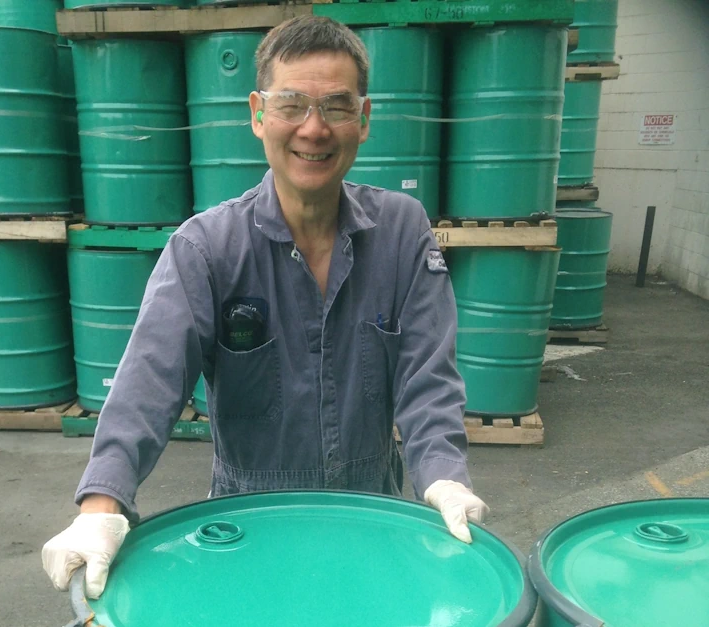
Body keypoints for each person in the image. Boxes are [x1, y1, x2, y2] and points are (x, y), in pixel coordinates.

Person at [42, 15, 488, 600]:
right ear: (257, 114)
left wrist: (445, 480)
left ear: (364, 119)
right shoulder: (207, 249)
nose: (313, 128)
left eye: (335, 106)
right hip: (248, 531)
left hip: (372, 523)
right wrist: (102, 507)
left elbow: (429, 380)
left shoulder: (402, 233)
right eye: (291, 104)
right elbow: (147, 384)